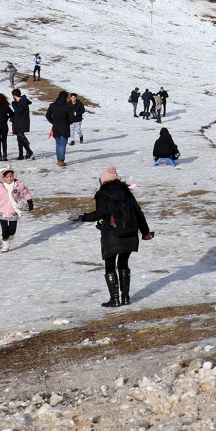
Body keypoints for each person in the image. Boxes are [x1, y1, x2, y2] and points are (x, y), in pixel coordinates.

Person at [77, 167, 153, 308]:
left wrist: (84, 217)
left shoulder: (102, 194)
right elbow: (137, 211)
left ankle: (115, 299)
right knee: (123, 263)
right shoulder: (126, 191)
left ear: (103, 181)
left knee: (110, 265)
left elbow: (101, 212)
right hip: (130, 232)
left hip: (112, 234)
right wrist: (145, 232)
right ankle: (125, 297)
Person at [0, 167, 33, 252]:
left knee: (12, 230)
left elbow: (25, 192)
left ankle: (10, 236)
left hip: (13, 211)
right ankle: (5, 245)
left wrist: (29, 200)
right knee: (4, 231)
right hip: (1, 212)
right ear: (3, 178)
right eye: (7, 177)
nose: (9, 178)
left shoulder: (18, 185)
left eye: (11, 176)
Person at [46, 91, 73, 167]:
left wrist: (53, 122)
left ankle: (58, 159)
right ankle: (61, 160)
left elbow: (48, 116)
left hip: (55, 127)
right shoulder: (68, 106)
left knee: (58, 143)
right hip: (64, 127)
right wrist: (68, 122)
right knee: (62, 144)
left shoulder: (52, 106)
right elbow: (71, 118)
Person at [10, 88, 34, 159]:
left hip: (22, 122)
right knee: (19, 138)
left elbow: (19, 111)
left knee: (20, 136)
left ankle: (28, 151)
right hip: (17, 122)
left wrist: (14, 105)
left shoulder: (23, 101)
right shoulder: (19, 102)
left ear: (14, 95)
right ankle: (21, 154)